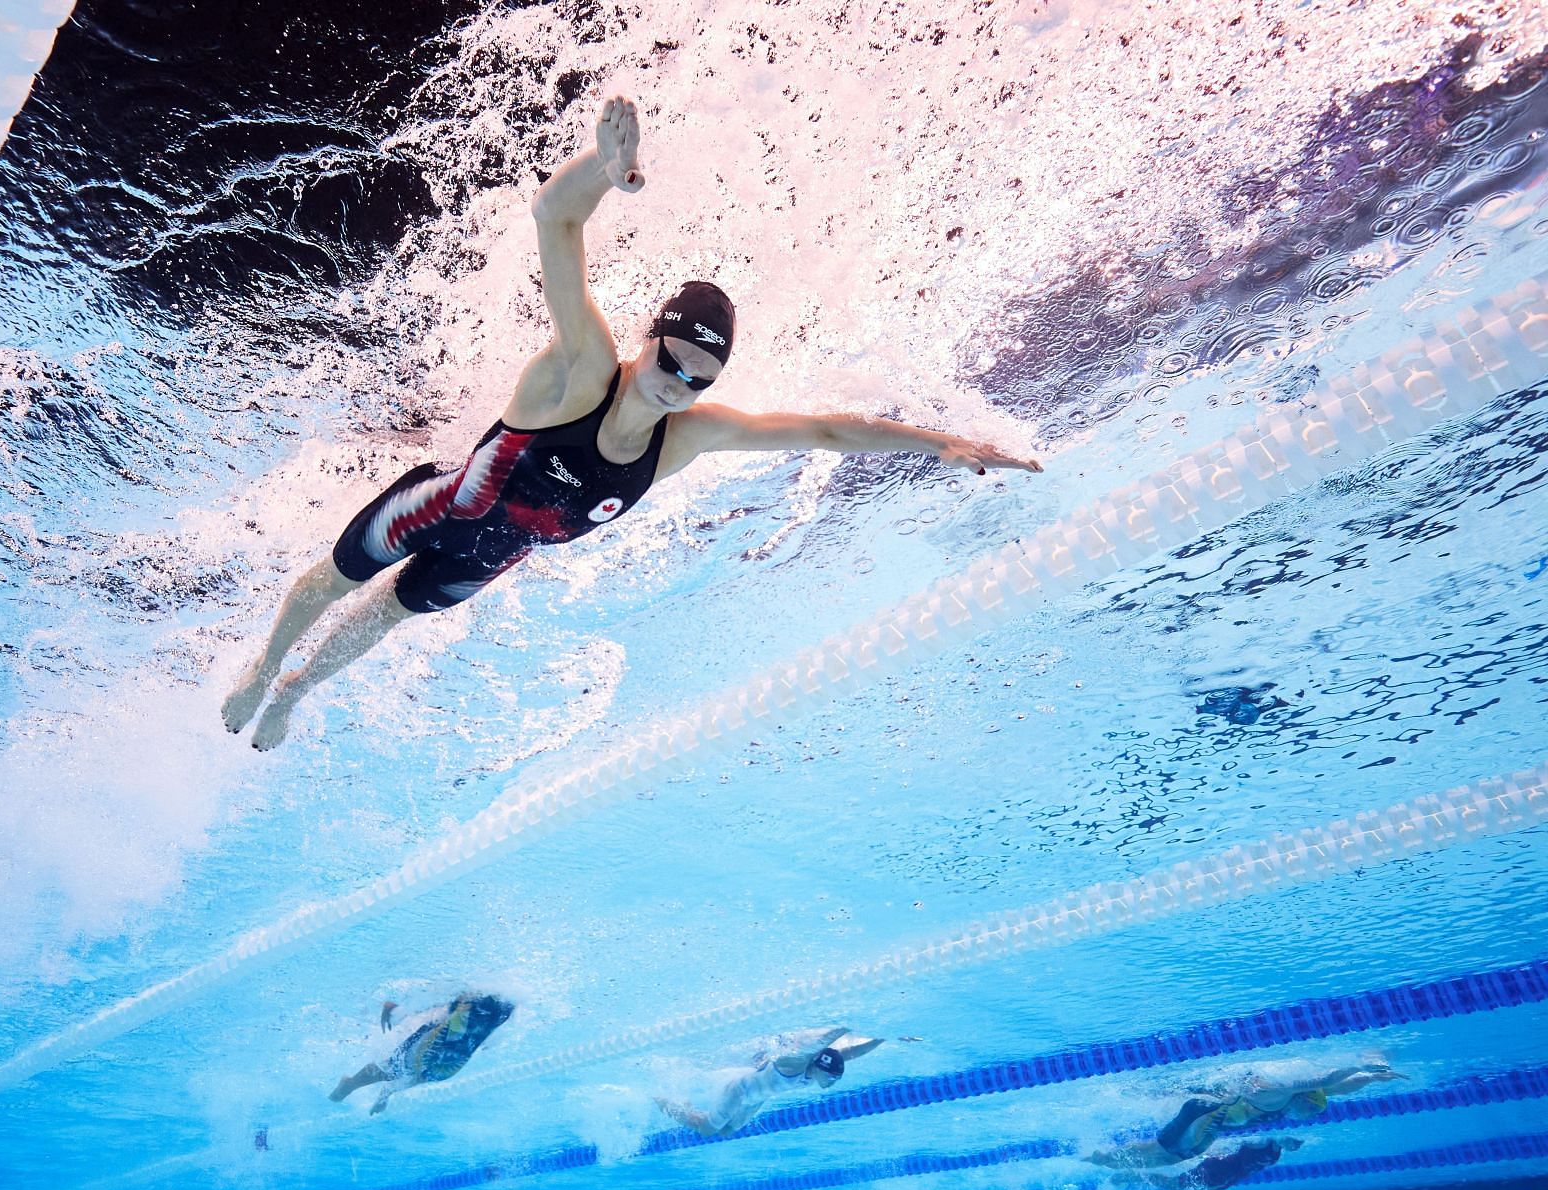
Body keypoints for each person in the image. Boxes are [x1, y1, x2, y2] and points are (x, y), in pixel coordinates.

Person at [221, 95, 1041, 749]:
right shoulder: (582, 369)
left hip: (496, 554)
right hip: (437, 508)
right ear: (648, 339)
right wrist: (605, 173)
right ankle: (266, 666)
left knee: (382, 621)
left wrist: (939, 443)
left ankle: (296, 691)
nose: (678, 386)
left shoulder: (689, 435)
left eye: (698, 379)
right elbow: (555, 220)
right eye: (671, 362)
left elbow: (823, 432)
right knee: (334, 584)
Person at [1089, 1061, 1403, 1169]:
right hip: (1205, 1110)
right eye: (1309, 1108)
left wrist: (1372, 1078)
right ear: (1303, 1098)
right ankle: (1103, 1157)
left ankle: (1105, 1157)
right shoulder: (1281, 1092)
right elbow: (1326, 1079)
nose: (1306, 1115)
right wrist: (1360, 1066)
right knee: (1166, 1153)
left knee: (1172, 1155)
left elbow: (1342, 1088)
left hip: (1212, 1116)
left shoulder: (1294, 1102)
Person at [654, 1027, 902, 1138]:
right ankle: (665, 1101)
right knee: (708, 1129)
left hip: (757, 1097)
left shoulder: (819, 1067)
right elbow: (811, 1046)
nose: (831, 1084)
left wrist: (883, 1036)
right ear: (819, 1068)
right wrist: (839, 1029)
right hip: (739, 1091)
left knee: (728, 1131)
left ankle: (681, 1104)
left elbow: (850, 1052)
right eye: (829, 1078)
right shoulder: (792, 1067)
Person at [329, 993, 515, 1114]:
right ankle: (351, 1084)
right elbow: (438, 1006)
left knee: (426, 1076)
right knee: (395, 1069)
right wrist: (394, 1009)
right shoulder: (473, 1002)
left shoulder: (505, 1007)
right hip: (436, 1042)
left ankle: (387, 1092)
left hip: (455, 1057)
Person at [1139, 1136, 1304, 1190]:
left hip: (1226, 1175)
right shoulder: (1263, 1142)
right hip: (1219, 1172)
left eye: (1298, 1143)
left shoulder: (1275, 1153)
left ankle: (1139, 1174)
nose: (1297, 1145)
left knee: (1177, 1187)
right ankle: (1135, 1175)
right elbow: (1241, 1141)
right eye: (1296, 1141)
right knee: (1175, 1186)